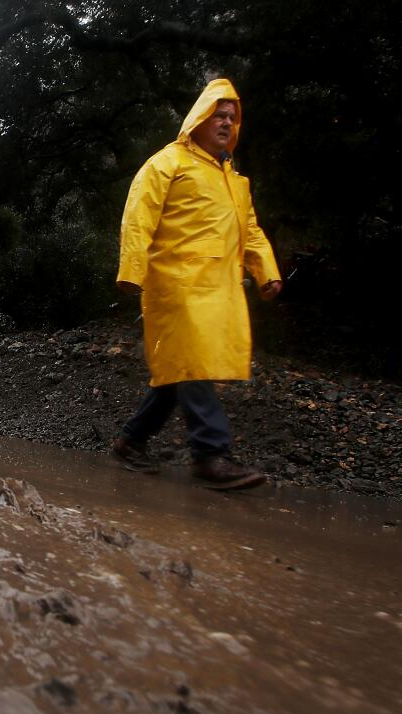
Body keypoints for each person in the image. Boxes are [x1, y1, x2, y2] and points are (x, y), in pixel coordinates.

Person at [112, 78, 283, 490]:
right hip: (176, 285)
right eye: (218, 115)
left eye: (232, 117)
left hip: (218, 288)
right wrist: (131, 270)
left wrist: (268, 271)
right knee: (193, 363)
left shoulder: (235, 181)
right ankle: (210, 453)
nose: (225, 122)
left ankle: (130, 442)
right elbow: (139, 216)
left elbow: (251, 230)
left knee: (179, 370)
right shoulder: (167, 163)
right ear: (200, 117)